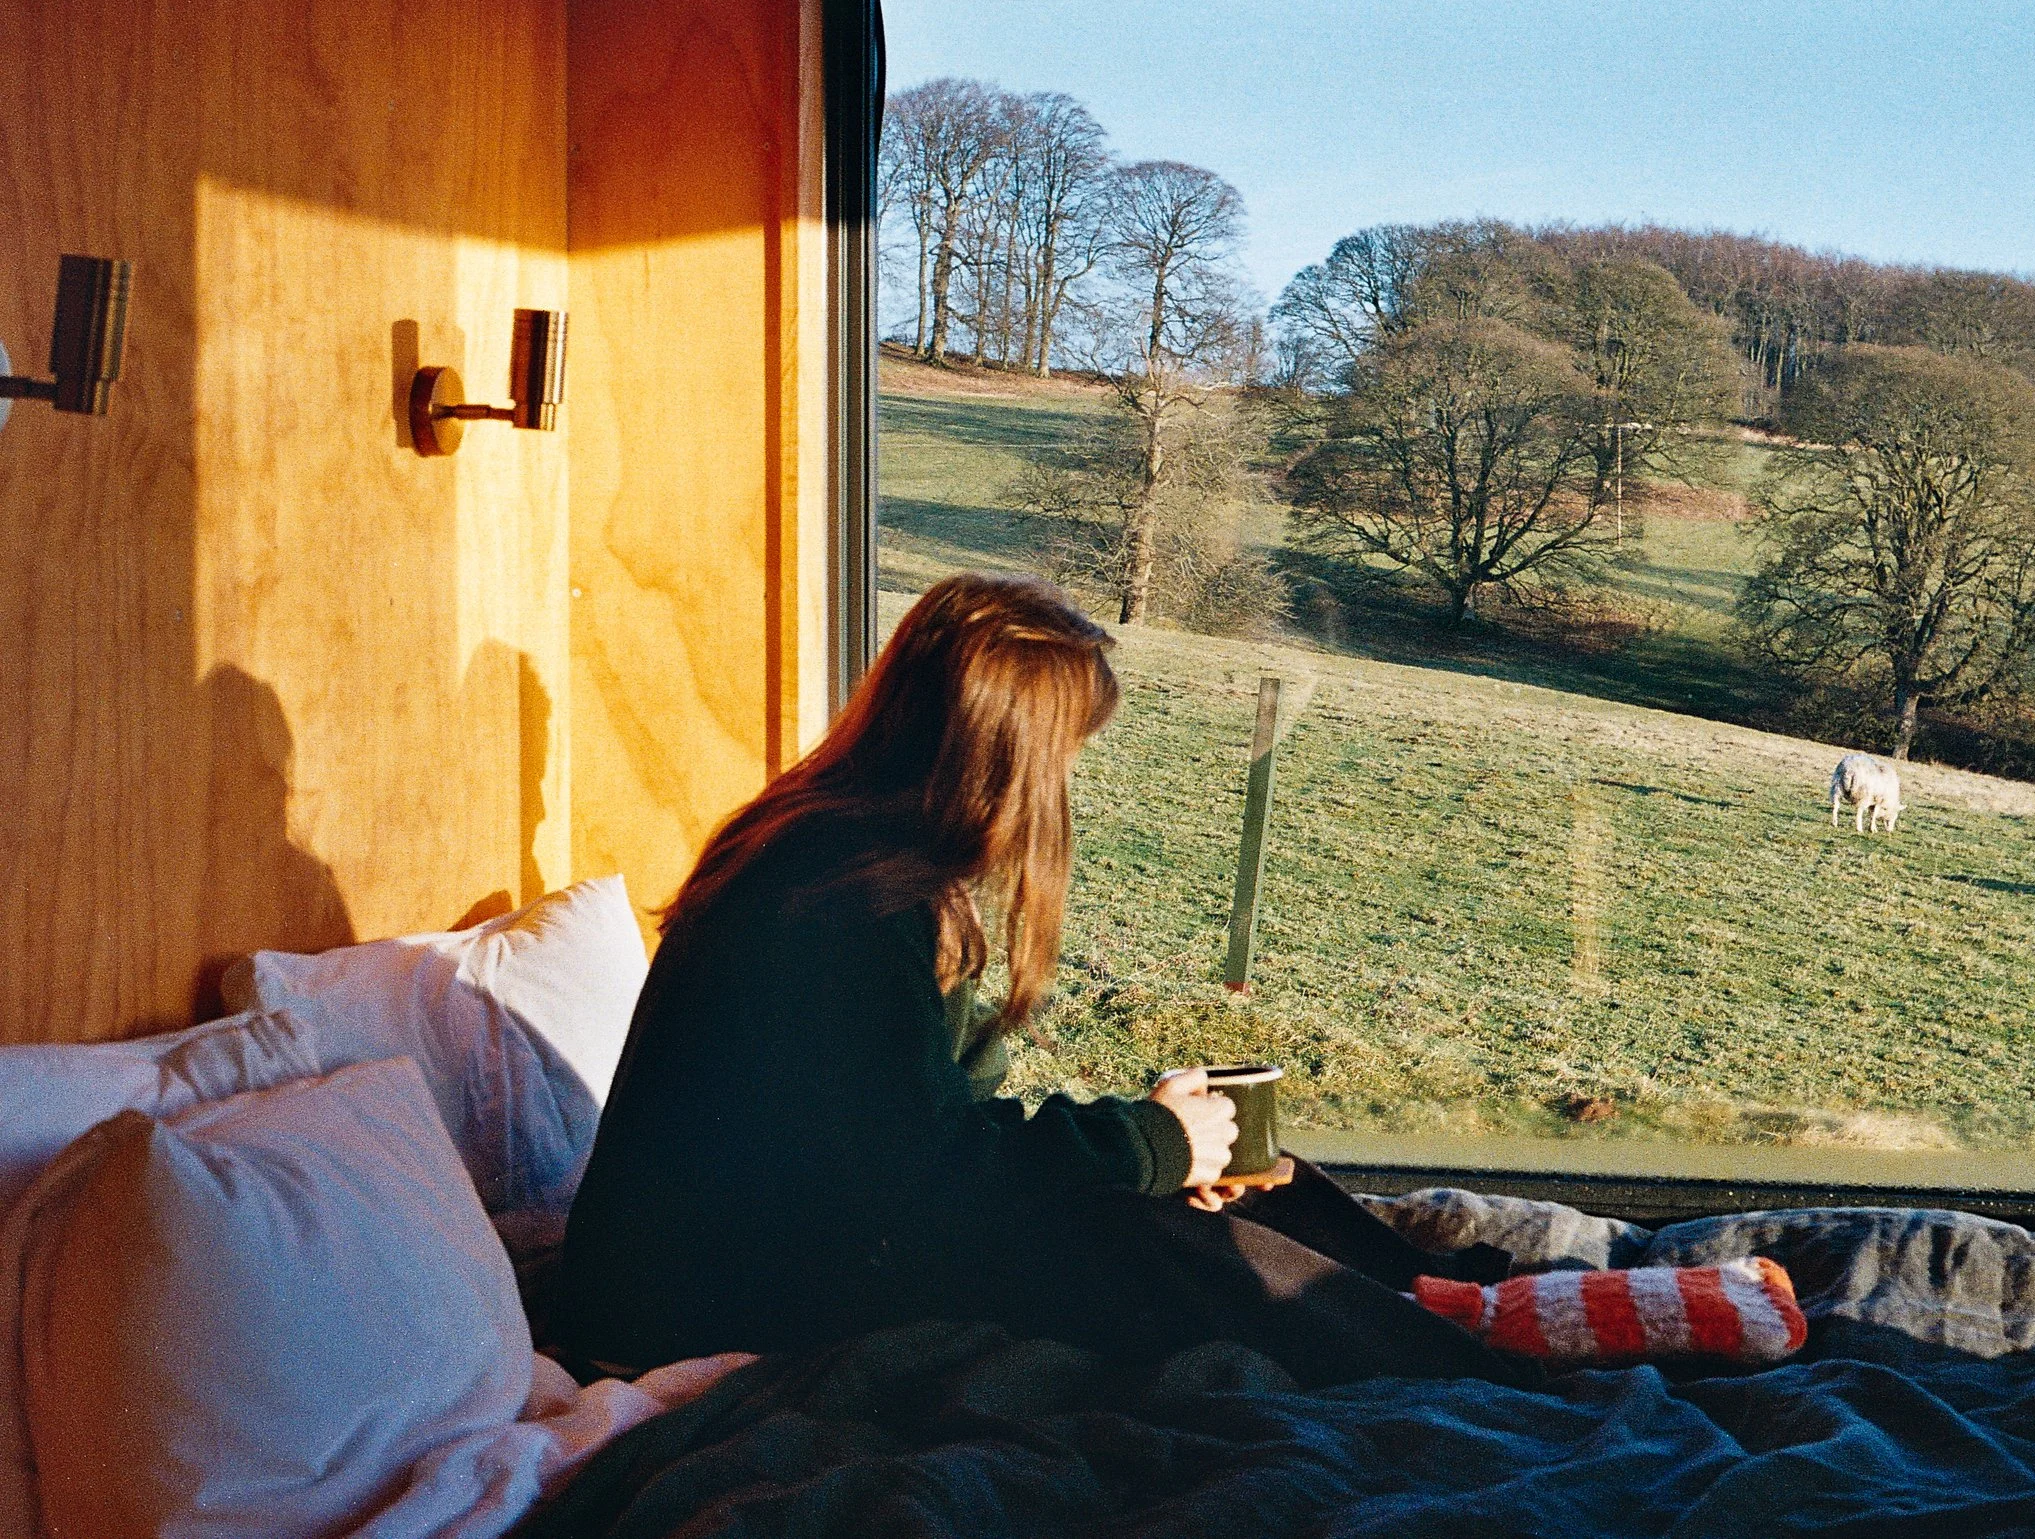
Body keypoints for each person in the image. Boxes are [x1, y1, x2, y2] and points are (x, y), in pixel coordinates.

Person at [555, 572, 1522, 1387]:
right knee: (1145, 1241)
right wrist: (1140, 1146)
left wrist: (1158, 1145)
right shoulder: (849, 906)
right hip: (706, 1305)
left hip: (775, 1251)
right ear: (1003, 758)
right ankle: (1478, 1366)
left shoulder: (842, 859)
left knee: (1244, 1175)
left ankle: (1461, 1306)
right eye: (1062, 756)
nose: (1064, 785)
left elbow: (911, 1136)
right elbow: (921, 1182)